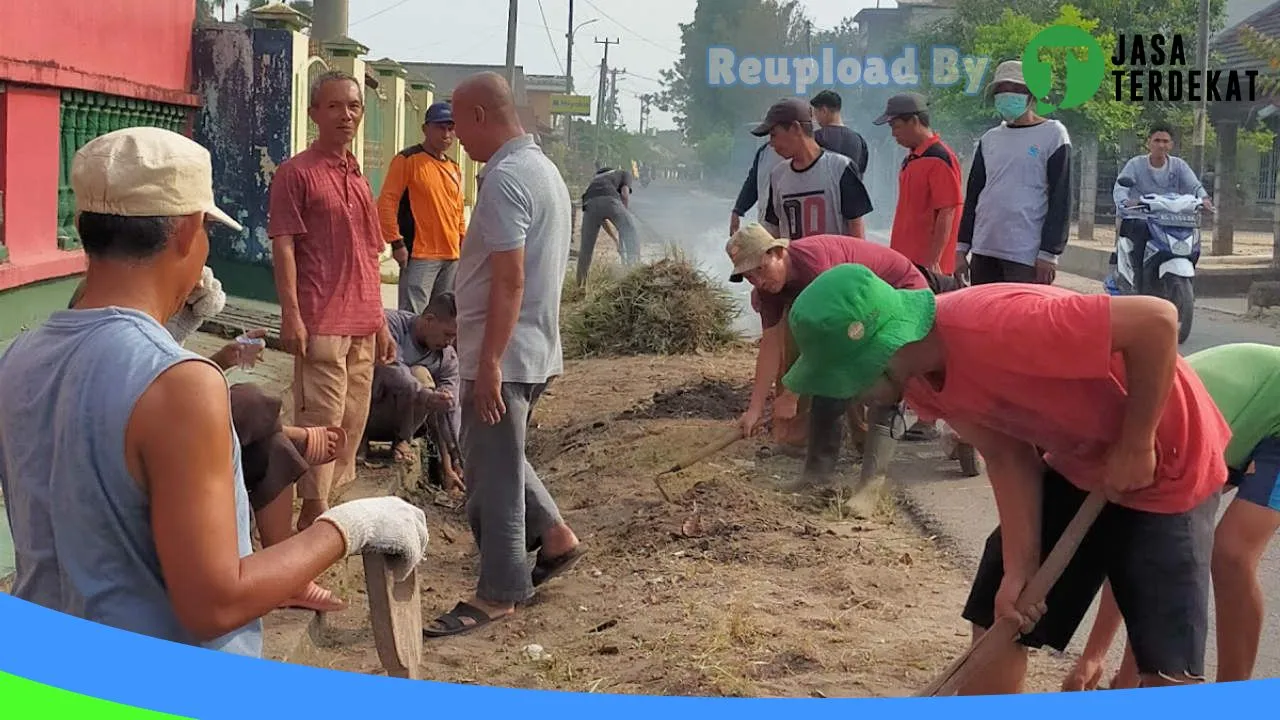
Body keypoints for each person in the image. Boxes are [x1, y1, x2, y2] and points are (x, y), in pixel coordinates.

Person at [0, 126, 429, 656]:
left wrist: (165, 333)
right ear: (186, 232)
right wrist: (350, 527)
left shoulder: (18, 356)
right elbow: (214, 605)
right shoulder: (181, 384)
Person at [782, 263, 1231, 693]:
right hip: (1083, 456)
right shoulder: (918, 379)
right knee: (1002, 609)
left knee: (1166, 662)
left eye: (852, 380)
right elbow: (1006, 453)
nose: (856, 398)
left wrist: (1137, 442)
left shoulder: (1001, 325)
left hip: (1169, 452)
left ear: (883, 349)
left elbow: (1156, 321)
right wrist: (1021, 568)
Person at [67, 274, 351, 613]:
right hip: (138, 462)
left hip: (179, 445)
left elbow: (173, 384)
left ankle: (291, 582)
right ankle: (295, 435)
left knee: (271, 448)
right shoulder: (93, 347)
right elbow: (151, 397)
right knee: (250, 401)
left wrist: (226, 357)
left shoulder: (148, 340)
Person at [424, 72, 583, 638]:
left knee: (490, 473)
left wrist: (488, 362)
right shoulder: (543, 172)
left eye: (459, 122)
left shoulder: (507, 179)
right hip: (532, 346)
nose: (458, 137)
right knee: (499, 454)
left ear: (481, 118)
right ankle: (556, 539)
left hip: (506, 353)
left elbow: (509, 282)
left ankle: (498, 594)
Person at [1063, 342, 1280, 691]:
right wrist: (1094, 656)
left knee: (1231, 555)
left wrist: (1108, 663)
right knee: (1151, 543)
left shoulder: (1140, 438)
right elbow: (1139, 555)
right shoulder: (1117, 433)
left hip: (1268, 412)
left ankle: (1232, 701)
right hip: (1234, 421)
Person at [727, 223, 937, 514]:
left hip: (897, 291)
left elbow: (832, 343)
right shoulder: (769, 288)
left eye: (760, 270)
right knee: (828, 380)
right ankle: (817, 474)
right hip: (852, 314)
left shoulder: (815, 265)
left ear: (778, 252)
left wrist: (791, 394)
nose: (757, 281)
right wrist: (754, 408)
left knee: (884, 378)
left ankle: (870, 487)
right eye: (748, 276)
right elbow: (771, 345)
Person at [269, 70, 399, 531]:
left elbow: (369, 252)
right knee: (321, 423)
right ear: (313, 113)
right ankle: (311, 515)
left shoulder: (359, 178)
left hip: (363, 323)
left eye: (353, 107)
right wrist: (291, 315)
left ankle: (325, 510)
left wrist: (381, 322)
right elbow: (283, 245)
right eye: (334, 106)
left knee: (351, 422)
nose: (346, 115)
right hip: (321, 320)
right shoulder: (296, 173)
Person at [956, 60, 1072, 286]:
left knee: (1022, 319)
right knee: (983, 318)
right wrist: (961, 248)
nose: (1007, 94)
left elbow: (1061, 199)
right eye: (1001, 89)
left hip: (1025, 255)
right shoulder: (989, 139)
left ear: (1032, 95)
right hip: (984, 249)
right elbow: (973, 196)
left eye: (1016, 89)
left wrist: (1049, 253)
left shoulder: (1053, 134)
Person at [362, 293, 464, 494]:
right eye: (447, 335)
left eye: (453, 337)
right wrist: (424, 394)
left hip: (403, 425)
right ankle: (362, 442)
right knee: (418, 376)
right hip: (368, 412)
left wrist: (455, 457)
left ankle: (403, 441)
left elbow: (451, 406)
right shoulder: (391, 325)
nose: (449, 342)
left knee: (442, 398)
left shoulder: (445, 356)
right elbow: (390, 367)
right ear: (429, 321)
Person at [378, 101, 468, 313]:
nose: (446, 134)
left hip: (451, 256)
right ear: (425, 129)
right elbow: (387, 202)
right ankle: (407, 348)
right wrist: (397, 243)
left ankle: (434, 350)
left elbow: (458, 212)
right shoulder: (408, 160)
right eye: (440, 127)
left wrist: (463, 246)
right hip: (420, 255)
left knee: (442, 318)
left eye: (450, 128)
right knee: (413, 318)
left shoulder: (454, 167)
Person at [1108, 123, 1214, 294]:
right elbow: (1121, 188)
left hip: (1171, 220)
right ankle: (1137, 283)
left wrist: (1204, 199)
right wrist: (1125, 201)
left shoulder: (1179, 166)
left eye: (1165, 141)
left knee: (1192, 238)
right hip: (1141, 219)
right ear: (1149, 142)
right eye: (1157, 140)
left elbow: (1194, 185)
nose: (1161, 145)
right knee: (1139, 240)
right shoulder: (1136, 164)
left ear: (1171, 145)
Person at [874, 92, 964, 289]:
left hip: (929, 269)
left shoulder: (939, 158)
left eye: (895, 126)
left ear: (914, 121)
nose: (893, 134)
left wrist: (934, 260)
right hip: (906, 260)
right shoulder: (912, 159)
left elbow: (947, 211)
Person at [753, 97, 874, 241]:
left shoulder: (840, 168)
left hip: (835, 263)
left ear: (795, 128)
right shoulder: (777, 175)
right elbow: (774, 229)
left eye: (774, 135)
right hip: (794, 262)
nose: (771, 144)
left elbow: (857, 230)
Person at [577, 166, 641, 286]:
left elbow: (601, 218)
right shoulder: (624, 173)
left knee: (586, 249)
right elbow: (625, 194)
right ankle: (635, 274)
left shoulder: (595, 182)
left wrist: (615, 240)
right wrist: (624, 216)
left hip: (589, 204)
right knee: (631, 233)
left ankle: (580, 286)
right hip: (611, 201)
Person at [730, 140, 786, 236]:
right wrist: (738, 210)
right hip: (768, 228)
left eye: (774, 134)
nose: (772, 141)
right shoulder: (764, 152)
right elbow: (752, 183)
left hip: (794, 228)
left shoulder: (802, 153)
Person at [810, 89, 869, 177]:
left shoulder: (815, 137)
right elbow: (860, 172)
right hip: (851, 190)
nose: (816, 118)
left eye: (816, 113)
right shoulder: (859, 140)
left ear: (824, 111)